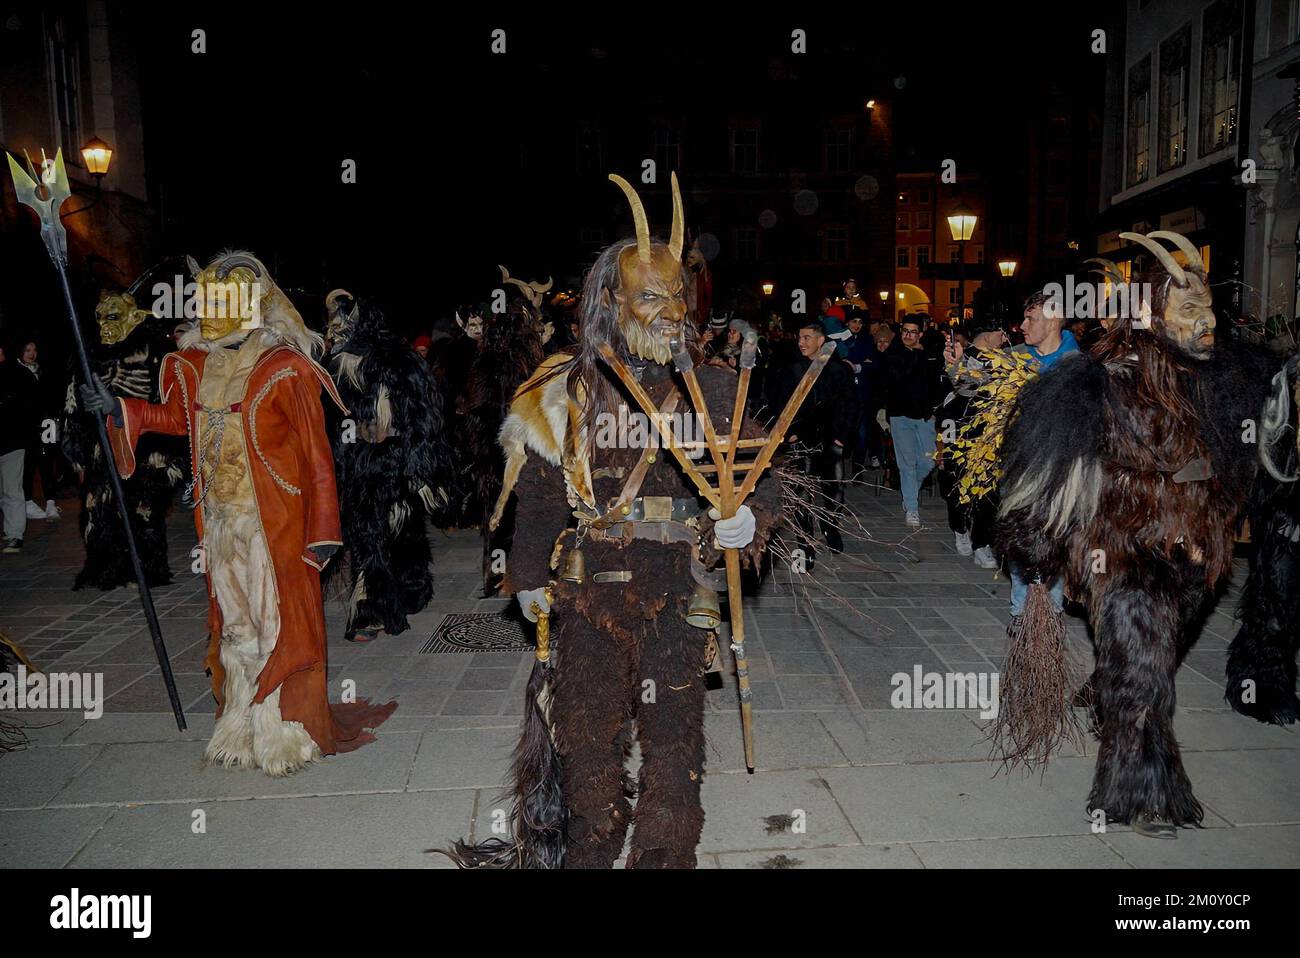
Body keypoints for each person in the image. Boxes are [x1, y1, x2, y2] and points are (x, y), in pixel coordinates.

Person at [451, 174, 782, 868]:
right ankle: (590, 842)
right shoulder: (567, 388)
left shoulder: (714, 387)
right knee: (587, 730)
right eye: (651, 296)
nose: (671, 312)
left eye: (679, 298)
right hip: (591, 584)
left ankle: (666, 846)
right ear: (612, 301)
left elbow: (764, 478)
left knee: (673, 729)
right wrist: (528, 574)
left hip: (678, 583)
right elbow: (540, 494)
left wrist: (747, 521)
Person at [996, 234, 1290, 836]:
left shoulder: (1224, 376)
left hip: (1195, 553)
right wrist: (1040, 554)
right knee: (1146, 670)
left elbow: (1271, 414)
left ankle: (1110, 696)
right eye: (1187, 308)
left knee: (1149, 660)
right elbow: (1042, 472)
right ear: (1152, 315)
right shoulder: (1102, 379)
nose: (1204, 318)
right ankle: (1141, 793)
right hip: (1123, 546)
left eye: (1206, 304)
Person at [81, 250, 395, 775]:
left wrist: (322, 531)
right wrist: (120, 410)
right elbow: (178, 419)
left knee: (277, 624)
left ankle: (283, 732)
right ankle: (240, 724)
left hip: (274, 523)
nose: (211, 313)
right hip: (220, 520)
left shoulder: (286, 368)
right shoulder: (195, 365)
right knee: (235, 625)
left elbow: (318, 457)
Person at [324, 290, 454, 642]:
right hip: (360, 469)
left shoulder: (400, 360)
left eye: (342, 320)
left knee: (405, 531)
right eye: (333, 321)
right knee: (368, 539)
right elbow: (331, 425)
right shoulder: (331, 368)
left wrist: (421, 470)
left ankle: (412, 585)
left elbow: (423, 418)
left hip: (397, 463)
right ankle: (370, 611)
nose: (334, 328)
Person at [1003, 288, 1081, 618]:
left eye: (1030, 318)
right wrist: (957, 366)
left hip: (1060, 475)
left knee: (1054, 542)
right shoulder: (1015, 357)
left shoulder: (1079, 367)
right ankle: (1022, 616)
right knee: (1021, 540)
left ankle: (1048, 617)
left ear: (1053, 320)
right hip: (1018, 471)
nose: (1022, 324)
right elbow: (970, 385)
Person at [768, 320, 860, 559]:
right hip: (802, 438)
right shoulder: (792, 369)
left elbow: (850, 404)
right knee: (801, 492)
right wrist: (791, 434)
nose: (801, 342)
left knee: (834, 489)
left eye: (807, 337)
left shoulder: (839, 370)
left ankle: (831, 527)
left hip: (831, 438)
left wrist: (841, 437)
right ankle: (804, 540)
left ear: (821, 340)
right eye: (799, 337)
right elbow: (780, 403)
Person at [939, 323, 1007, 568]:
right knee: (959, 483)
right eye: (1002, 334)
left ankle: (982, 543)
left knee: (990, 490)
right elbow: (961, 389)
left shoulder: (1005, 360)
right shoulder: (963, 358)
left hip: (992, 436)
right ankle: (960, 528)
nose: (1006, 338)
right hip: (959, 432)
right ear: (989, 335)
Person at [882, 315, 947, 526]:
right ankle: (911, 506)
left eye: (912, 332)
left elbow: (937, 382)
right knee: (907, 463)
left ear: (920, 334)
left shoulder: (930, 353)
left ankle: (909, 490)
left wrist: (936, 410)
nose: (908, 336)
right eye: (905, 331)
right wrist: (916, 356)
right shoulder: (894, 353)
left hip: (925, 415)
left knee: (928, 461)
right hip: (900, 415)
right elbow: (898, 378)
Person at [17, 341, 60, 520]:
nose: (32, 354)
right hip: (23, 427)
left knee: (46, 460)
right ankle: (27, 502)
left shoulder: (41, 370)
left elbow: (50, 396)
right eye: (27, 350)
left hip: (45, 423)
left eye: (35, 350)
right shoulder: (15, 371)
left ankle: (51, 502)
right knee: (27, 464)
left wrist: (53, 419)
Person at [843, 313, 883, 470]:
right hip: (845, 392)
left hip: (863, 392)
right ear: (847, 323)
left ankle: (857, 467)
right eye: (854, 321)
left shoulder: (866, 340)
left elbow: (873, 363)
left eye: (860, 322)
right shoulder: (840, 340)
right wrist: (859, 364)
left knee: (862, 432)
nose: (857, 325)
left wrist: (858, 366)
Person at [0, 345, 28, 553]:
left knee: (11, 489)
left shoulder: (17, 374)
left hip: (11, 442)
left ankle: (15, 535)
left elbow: (30, 406)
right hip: (12, 439)